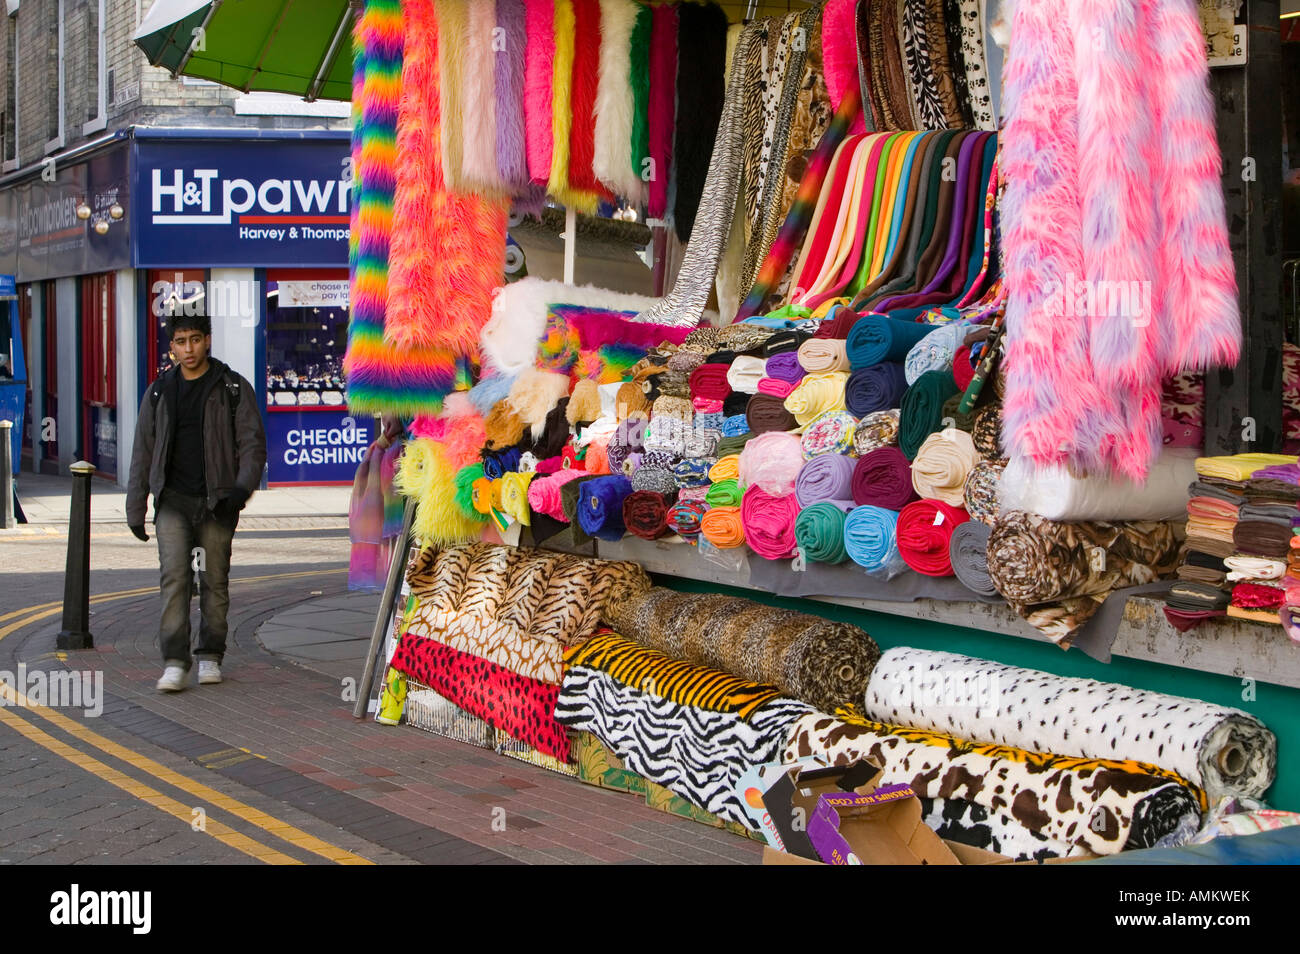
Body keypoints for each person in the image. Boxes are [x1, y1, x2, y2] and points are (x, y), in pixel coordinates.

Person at [126, 314, 267, 692]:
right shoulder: (159, 391)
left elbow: (252, 444)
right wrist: (135, 507)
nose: (188, 349)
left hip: (217, 503)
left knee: (214, 581)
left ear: (207, 340)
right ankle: (175, 661)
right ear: (171, 346)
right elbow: (143, 450)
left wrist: (239, 492)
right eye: (180, 341)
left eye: (194, 340)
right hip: (172, 502)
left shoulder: (232, 387)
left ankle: (209, 655)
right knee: (174, 579)